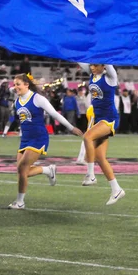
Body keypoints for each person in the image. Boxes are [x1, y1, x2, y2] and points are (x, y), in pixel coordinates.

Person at [7, 73, 83, 209]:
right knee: (21, 172)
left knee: (22, 168)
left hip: (38, 138)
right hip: (25, 139)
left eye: (18, 84)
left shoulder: (37, 98)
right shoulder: (17, 101)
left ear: (26, 84)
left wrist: (71, 128)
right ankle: (48, 170)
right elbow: (22, 119)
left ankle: (20, 202)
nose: (15, 87)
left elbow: (54, 114)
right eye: (14, 84)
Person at [79, 63, 126, 205]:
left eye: (95, 65)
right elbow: (79, 58)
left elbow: (109, 61)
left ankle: (91, 175)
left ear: (103, 66)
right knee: (100, 158)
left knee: (87, 136)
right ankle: (116, 189)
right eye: (91, 65)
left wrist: (103, 47)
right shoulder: (92, 74)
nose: (92, 67)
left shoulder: (110, 78)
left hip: (109, 119)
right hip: (99, 120)